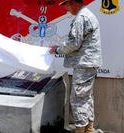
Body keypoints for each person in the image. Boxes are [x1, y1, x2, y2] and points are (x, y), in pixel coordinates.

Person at [50, 0, 102, 133]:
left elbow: (74, 43)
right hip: (89, 64)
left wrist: (57, 49)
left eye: (67, 5)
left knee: (78, 99)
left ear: (74, 3)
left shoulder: (81, 18)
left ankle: (80, 130)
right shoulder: (87, 15)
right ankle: (89, 129)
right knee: (86, 98)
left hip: (84, 64)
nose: (66, 8)